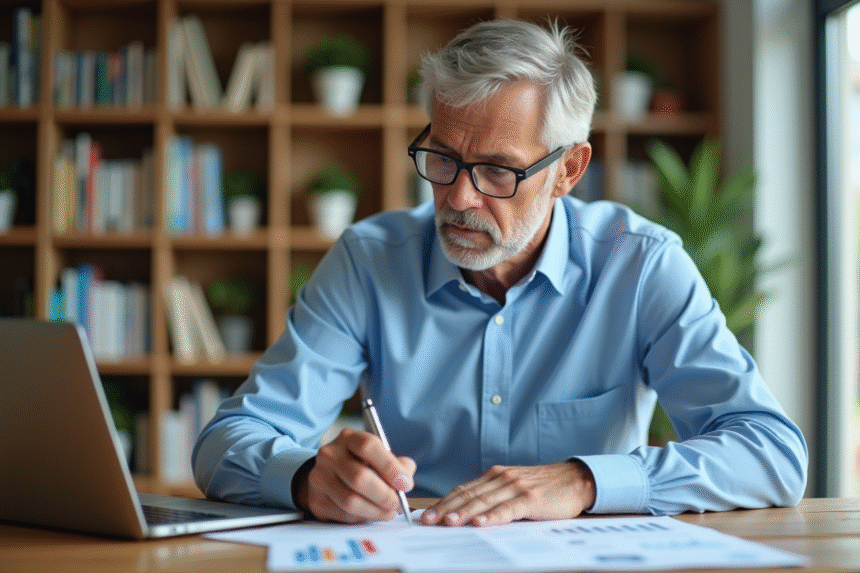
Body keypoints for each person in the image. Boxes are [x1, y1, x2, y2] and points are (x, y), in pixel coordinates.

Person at [193, 19, 807, 527]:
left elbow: (771, 453)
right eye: (443, 158)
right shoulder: (369, 260)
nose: (459, 198)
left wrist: (585, 481)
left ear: (568, 170)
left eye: (497, 170)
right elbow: (228, 441)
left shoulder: (641, 264)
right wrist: (305, 479)